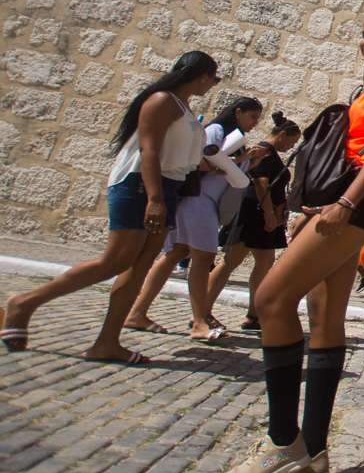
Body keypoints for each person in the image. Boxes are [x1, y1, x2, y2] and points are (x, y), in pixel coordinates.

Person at [212, 10, 364, 473]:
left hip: (362, 196)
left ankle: (281, 443)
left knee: (270, 300)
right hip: (346, 196)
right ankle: (314, 453)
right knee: (325, 315)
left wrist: (346, 203)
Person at [1, 51, 218, 362]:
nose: (213, 84)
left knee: (140, 266)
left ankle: (108, 341)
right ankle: (25, 302)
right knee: (115, 260)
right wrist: (155, 199)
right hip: (142, 185)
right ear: (201, 75)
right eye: (213, 78)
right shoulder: (161, 101)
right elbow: (149, 150)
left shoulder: (183, 107)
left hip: (168, 187)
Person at [126, 97, 264, 340]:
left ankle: (137, 311)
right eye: (252, 117)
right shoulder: (216, 130)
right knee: (203, 257)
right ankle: (199, 322)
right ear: (238, 112)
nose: (254, 123)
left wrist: (249, 163)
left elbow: (227, 174)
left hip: (204, 201)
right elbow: (200, 162)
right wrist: (240, 161)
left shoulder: (235, 139)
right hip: (198, 200)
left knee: (177, 253)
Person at [205, 112, 302, 332]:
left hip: (261, 214)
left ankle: (254, 314)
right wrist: (269, 213)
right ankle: (203, 310)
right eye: (292, 141)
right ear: (283, 135)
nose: (291, 146)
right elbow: (260, 183)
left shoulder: (269, 152)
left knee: (264, 263)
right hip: (255, 213)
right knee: (230, 262)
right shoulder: (264, 151)